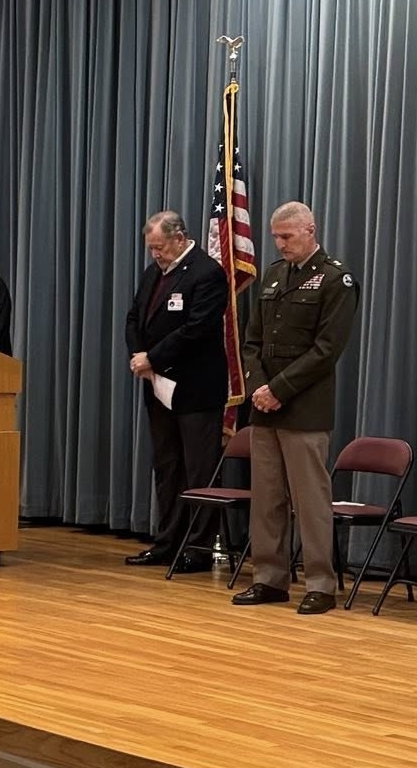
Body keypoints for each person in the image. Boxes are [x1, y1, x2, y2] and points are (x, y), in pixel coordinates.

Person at [234, 202, 361, 615]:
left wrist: (279, 389)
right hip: (264, 405)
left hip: (304, 406)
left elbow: (326, 350)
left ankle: (321, 584)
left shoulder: (335, 280)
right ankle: (269, 578)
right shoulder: (273, 274)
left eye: (287, 236)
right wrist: (257, 388)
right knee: (266, 497)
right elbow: (252, 341)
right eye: (275, 236)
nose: (280, 244)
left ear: (310, 230)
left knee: (310, 499)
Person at [122, 212, 231, 573]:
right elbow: (135, 317)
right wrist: (141, 357)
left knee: (198, 468)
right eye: (151, 248)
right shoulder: (154, 272)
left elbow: (198, 329)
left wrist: (152, 357)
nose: (155, 254)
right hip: (157, 385)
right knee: (167, 466)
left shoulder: (207, 273)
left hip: (195, 386)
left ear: (180, 238)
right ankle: (167, 542)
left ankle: (198, 547)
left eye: (159, 247)